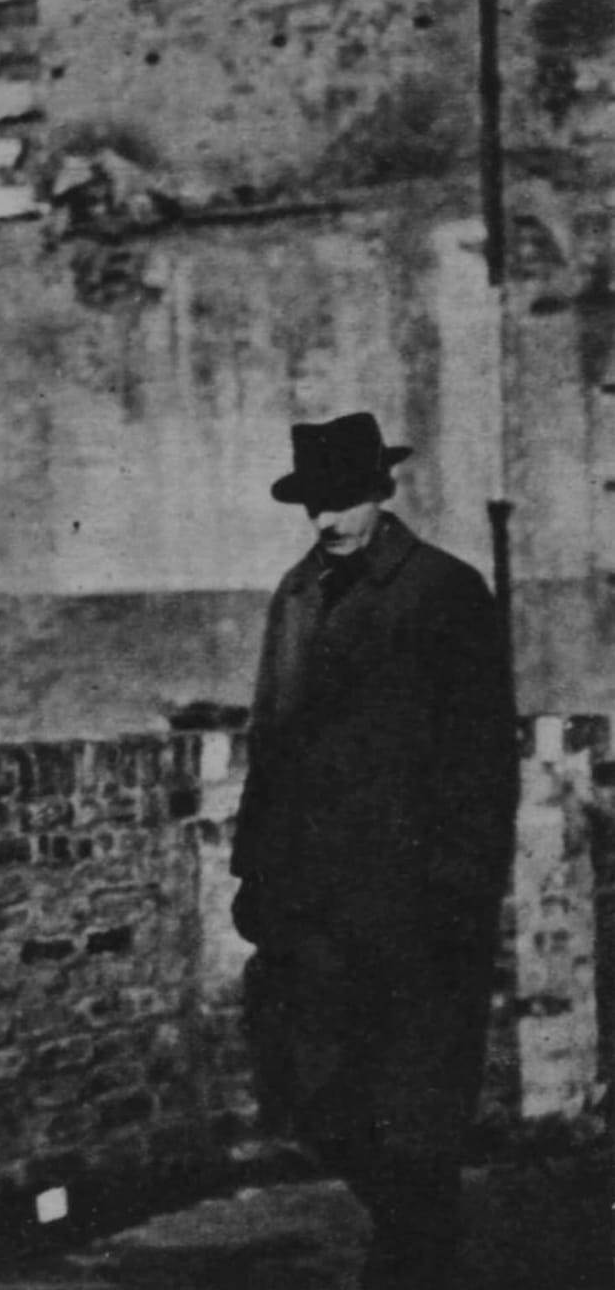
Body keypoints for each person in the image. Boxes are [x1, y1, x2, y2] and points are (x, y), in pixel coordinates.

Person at [231, 412, 518, 1290]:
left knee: (415, 1104)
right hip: (312, 904)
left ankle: (412, 1262)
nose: (327, 521)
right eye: (314, 504)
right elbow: (270, 740)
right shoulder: (297, 595)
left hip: (414, 904)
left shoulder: (442, 591)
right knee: (314, 1091)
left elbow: (480, 757)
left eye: (343, 500)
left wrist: (460, 887)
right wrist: (253, 870)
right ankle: (409, 1237)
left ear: (381, 493)